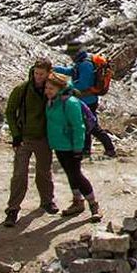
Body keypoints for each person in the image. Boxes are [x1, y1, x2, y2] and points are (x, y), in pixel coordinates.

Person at [1, 61, 63, 227]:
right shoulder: (22, 89)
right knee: (19, 174)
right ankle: (13, 209)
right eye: (36, 73)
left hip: (44, 138)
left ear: (48, 73)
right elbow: (10, 111)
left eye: (41, 74)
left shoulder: (52, 90)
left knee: (44, 172)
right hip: (24, 138)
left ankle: (47, 201)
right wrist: (16, 135)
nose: (38, 77)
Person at [45, 76, 100, 221]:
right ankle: (77, 201)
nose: (47, 91)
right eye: (46, 88)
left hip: (71, 146)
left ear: (60, 89)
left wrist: (78, 148)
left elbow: (78, 127)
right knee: (70, 173)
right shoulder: (53, 101)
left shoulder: (70, 103)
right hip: (59, 144)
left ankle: (93, 205)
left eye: (51, 88)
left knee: (76, 175)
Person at [58, 43, 117, 158]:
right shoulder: (82, 62)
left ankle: (109, 149)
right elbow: (72, 72)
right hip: (87, 99)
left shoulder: (85, 65)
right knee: (86, 126)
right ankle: (86, 150)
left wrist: (67, 88)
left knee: (93, 127)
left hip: (87, 100)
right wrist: (55, 69)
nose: (70, 57)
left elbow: (83, 84)